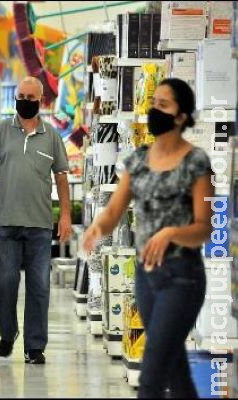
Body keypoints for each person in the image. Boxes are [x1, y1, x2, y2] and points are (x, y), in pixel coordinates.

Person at [83, 78, 213, 398]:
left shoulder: (196, 162)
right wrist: (96, 229)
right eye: (153, 103)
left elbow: (204, 228)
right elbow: (114, 211)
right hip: (146, 277)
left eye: (164, 105)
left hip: (182, 278)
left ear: (181, 116)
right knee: (176, 370)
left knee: (151, 374)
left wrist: (170, 233)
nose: (155, 111)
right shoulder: (138, 160)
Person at [0, 76, 73, 365]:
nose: (23, 101)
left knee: (40, 286)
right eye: (20, 96)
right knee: (4, 282)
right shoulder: (2, 130)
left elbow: (61, 177)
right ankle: (8, 333)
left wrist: (66, 217)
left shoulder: (52, 136)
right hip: (7, 224)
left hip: (40, 224)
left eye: (29, 97)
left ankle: (35, 347)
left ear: (40, 100)